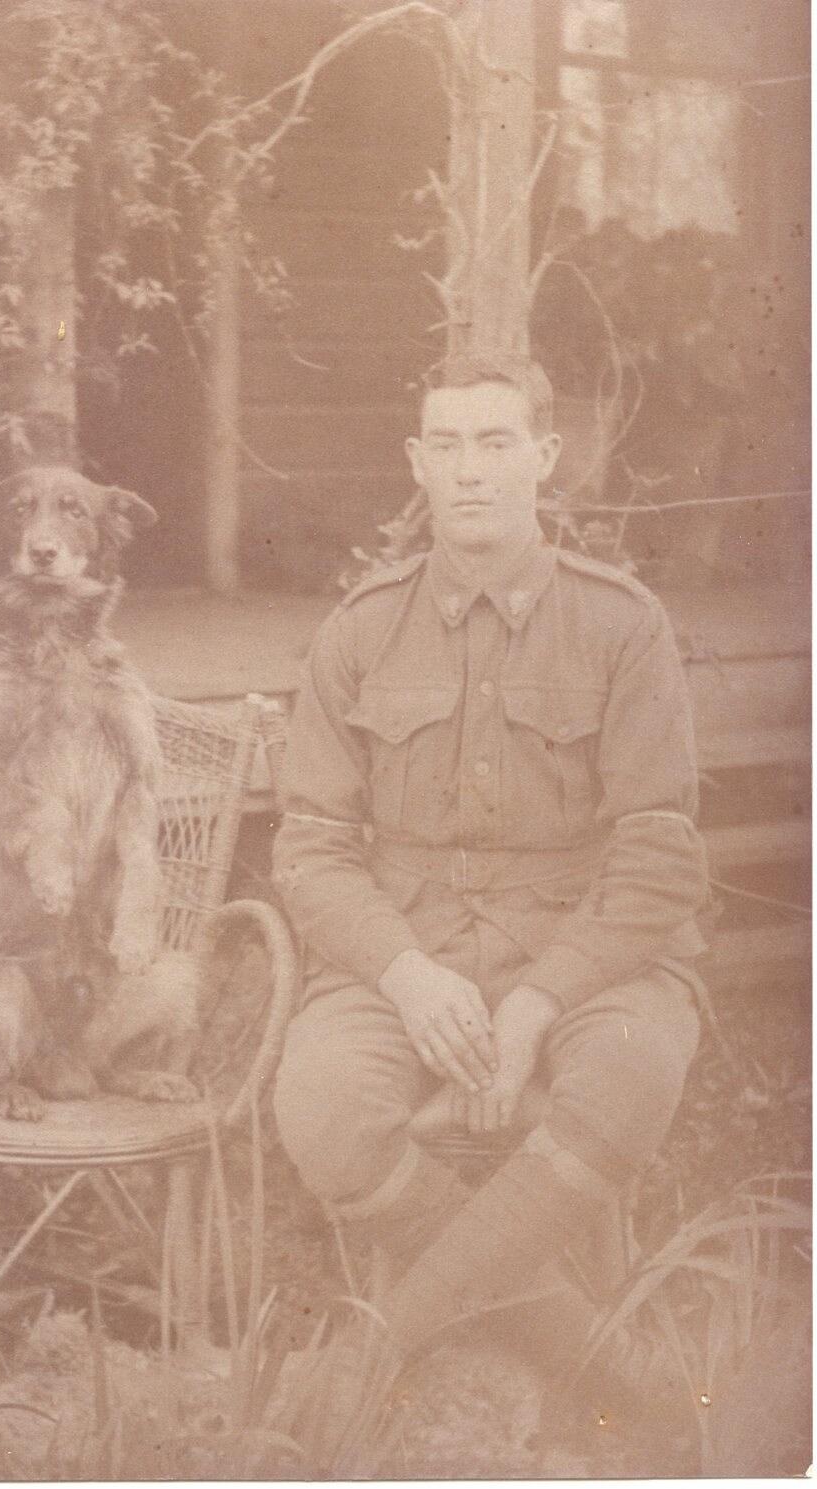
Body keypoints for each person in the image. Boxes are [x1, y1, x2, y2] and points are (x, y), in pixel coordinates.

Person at [271, 350, 710, 1449]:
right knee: (322, 1102)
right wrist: (407, 974)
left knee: (627, 1070)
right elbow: (313, 849)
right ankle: (598, 1357)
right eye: (448, 445)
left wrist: (534, 1004)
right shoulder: (359, 630)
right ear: (418, 463)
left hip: (584, 947)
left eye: (497, 442)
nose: (471, 471)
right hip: (404, 950)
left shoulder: (621, 625)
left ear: (544, 460)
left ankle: (372, 1345)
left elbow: (658, 856)